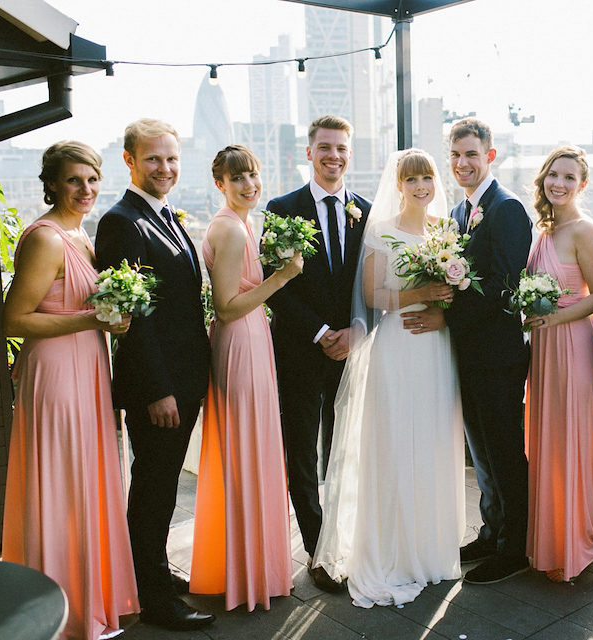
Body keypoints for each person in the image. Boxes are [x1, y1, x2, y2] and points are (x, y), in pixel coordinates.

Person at [313, 148, 465, 607]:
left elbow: (459, 296)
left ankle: (430, 548)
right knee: (397, 445)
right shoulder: (380, 231)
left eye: (427, 178)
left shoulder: (447, 230)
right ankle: (392, 552)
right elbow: (372, 295)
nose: (421, 187)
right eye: (412, 179)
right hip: (398, 346)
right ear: (398, 184)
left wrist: (445, 309)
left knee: (434, 442)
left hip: (437, 350)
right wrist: (423, 292)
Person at [1, 141, 139, 640]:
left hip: (89, 368)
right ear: (53, 184)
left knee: (86, 482)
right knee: (61, 484)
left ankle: (86, 597)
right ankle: (56, 608)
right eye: (74, 180)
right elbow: (13, 319)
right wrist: (92, 317)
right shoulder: (46, 239)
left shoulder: (82, 235)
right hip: (57, 376)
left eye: (92, 179)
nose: (86, 189)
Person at [95, 119, 214, 631]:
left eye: (170, 159)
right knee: (153, 488)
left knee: (161, 487)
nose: (164, 168)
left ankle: (155, 575)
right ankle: (153, 598)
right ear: (129, 160)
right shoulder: (122, 221)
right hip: (159, 386)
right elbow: (134, 320)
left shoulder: (165, 216)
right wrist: (159, 390)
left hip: (186, 377)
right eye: (152, 159)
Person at [403, 118, 533, 585]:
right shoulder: (460, 213)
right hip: (468, 354)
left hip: (498, 356)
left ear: (490, 156)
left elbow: (504, 286)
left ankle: (515, 548)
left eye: (471, 154)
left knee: (503, 451)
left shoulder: (507, 209)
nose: (462, 163)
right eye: (455, 156)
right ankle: (492, 530)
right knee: (480, 452)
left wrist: (446, 317)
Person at [189, 146, 302, 610]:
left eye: (253, 175)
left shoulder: (240, 224)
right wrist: (282, 277)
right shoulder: (232, 230)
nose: (249, 185)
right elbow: (226, 307)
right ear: (221, 184)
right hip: (239, 340)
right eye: (238, 179)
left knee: (249, 450)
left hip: (250, 339)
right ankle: (248, 572)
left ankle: (248, 565)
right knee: (248, 450)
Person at [264, 115, 371, 593]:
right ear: (309, 152)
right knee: (303, 454)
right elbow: (274, 288)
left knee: (345, 452)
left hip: (352, 353)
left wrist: (356, 331)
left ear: (350, 153)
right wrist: (322, 331)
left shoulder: (366, 211)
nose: (334, 156)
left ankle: (345, 539)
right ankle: (317, 550)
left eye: (342, 148)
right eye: (325, 147)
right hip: (301, 352)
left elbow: (372, 285)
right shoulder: (281, 209)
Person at [522, 146, 593, 583]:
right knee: (549, 441)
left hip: (573, 344)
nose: (559, 183)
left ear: (582, 184)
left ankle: (577, 544)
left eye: (569, 177)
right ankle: (551, 538)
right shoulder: (546, 229)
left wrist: (554, 317)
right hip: (544, 347)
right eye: (553, 175)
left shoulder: (583, 229)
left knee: (571, 439)